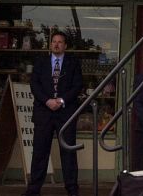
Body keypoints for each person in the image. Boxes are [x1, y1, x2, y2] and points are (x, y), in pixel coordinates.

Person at [24, 31, 83, 196]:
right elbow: (34, 84)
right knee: (40, 151)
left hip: (66, 112)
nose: (56, 44)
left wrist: (62, 100)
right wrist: (47, 101)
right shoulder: (41, 62)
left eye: (60, 42)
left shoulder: (73, 63)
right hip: (44, 112)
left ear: (65, 45)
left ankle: (72, 188)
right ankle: (34, 189)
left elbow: (78, 85)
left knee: (68, 152)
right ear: (50, 44)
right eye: (54, 42)